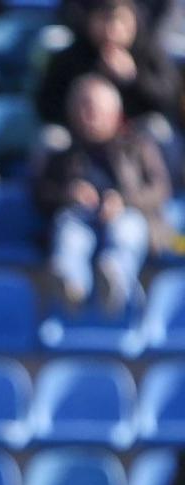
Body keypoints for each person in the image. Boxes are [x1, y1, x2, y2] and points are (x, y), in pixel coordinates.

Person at [35, 73, 171, 313]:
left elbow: (160, 189)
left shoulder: (138, 146)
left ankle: (114, 279)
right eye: (82, 108)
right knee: (69, 231)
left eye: (94, 109)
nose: (88, 116)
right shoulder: (63, 152)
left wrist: (123, 201)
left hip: (128, 215)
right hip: (81, 216)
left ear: (113, 112)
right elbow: (41, 193)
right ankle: (71, 284)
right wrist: (69, 193)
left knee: (126, 230)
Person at [36, 0, 180, 135]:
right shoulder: (72, 57)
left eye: (121, 21)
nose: (112, 30)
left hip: (133, 142)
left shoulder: (148, 54)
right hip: (78, 140)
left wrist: (134, 78)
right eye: (104, 20)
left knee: (157, 129)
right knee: (53, 137)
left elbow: (167, 101)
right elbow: (47, 104)